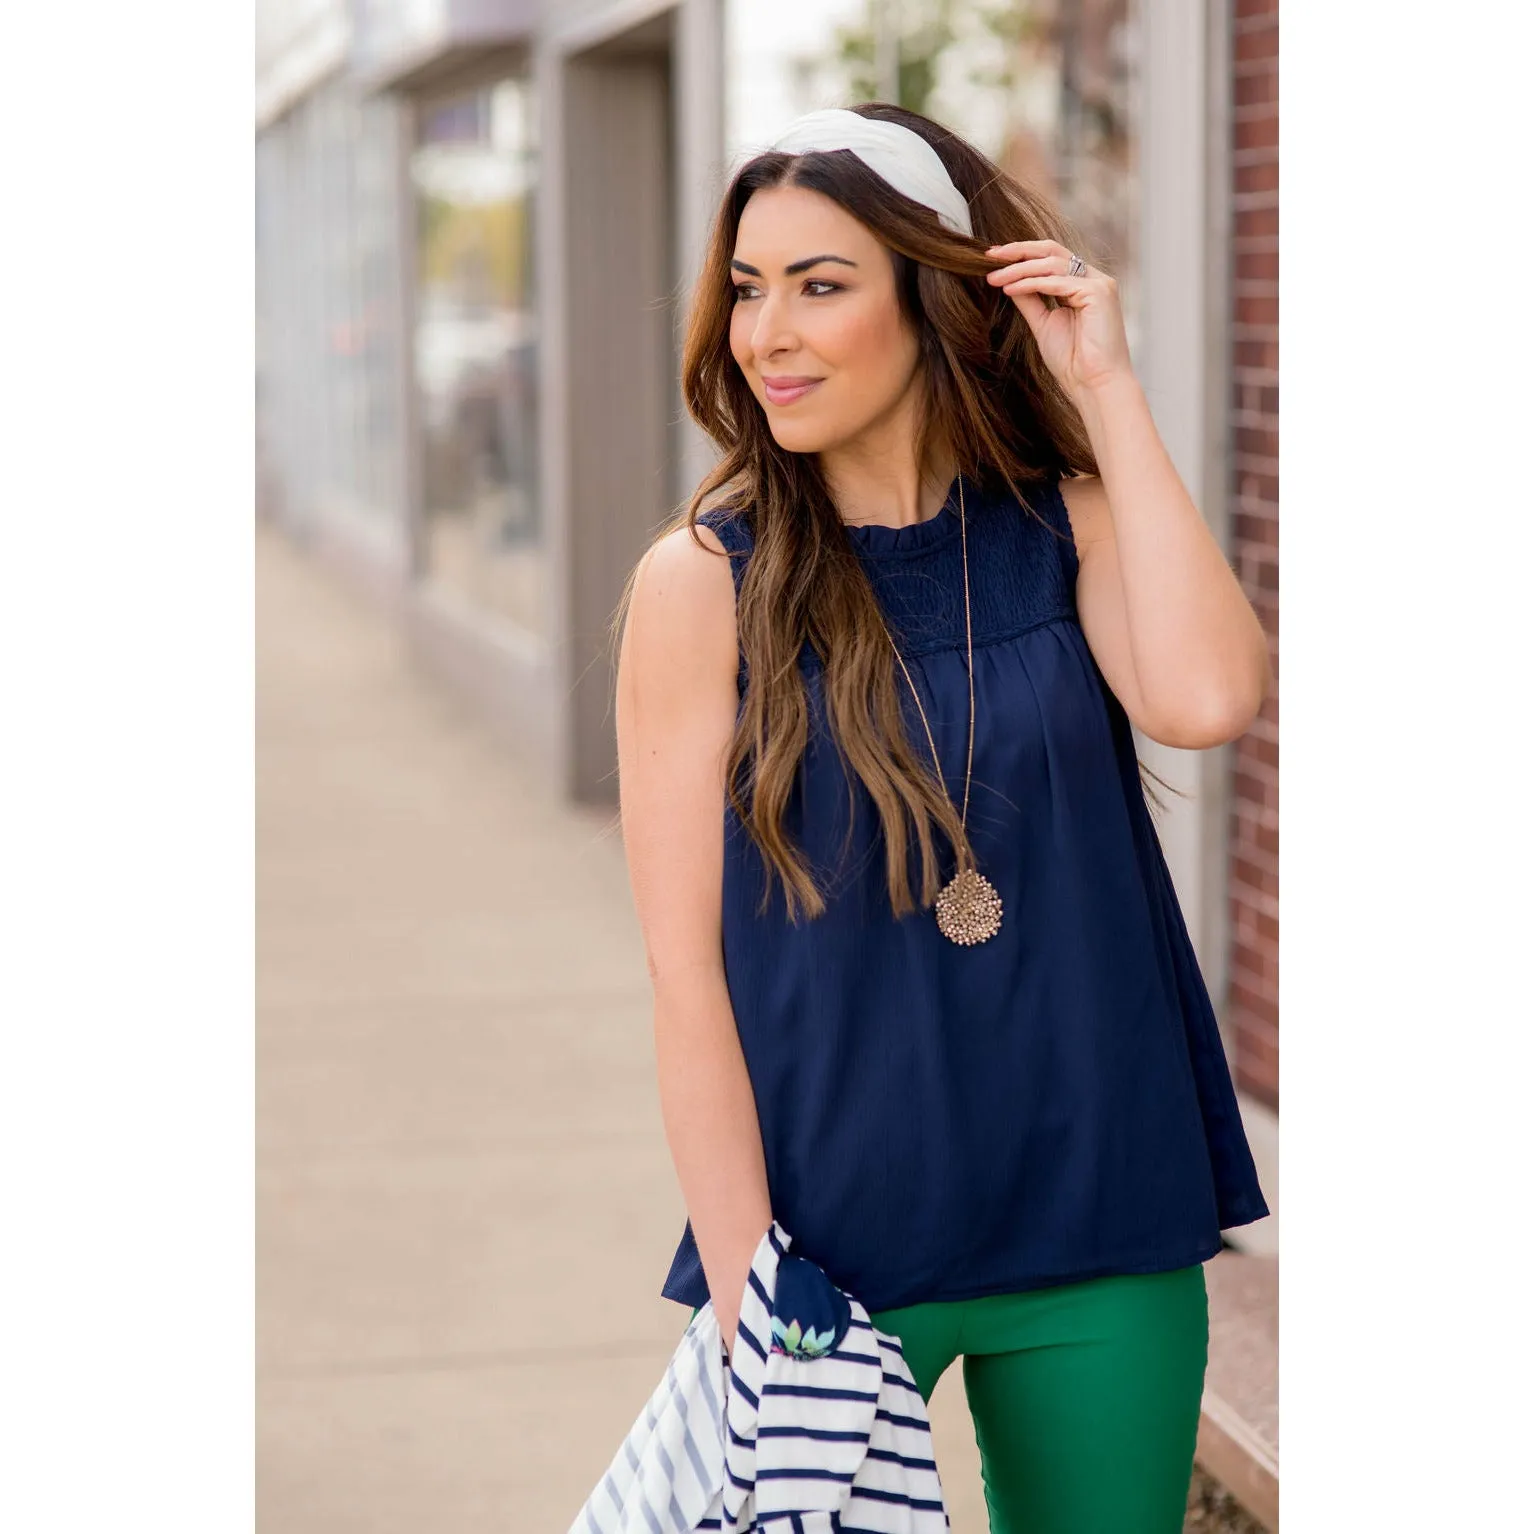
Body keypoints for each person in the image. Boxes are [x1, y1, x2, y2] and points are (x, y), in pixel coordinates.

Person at [612, 102, 1272, 1534]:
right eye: (745, 285)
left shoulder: (1071, 523)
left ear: (933, 301)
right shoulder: (701, 582)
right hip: (831, 1257)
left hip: (1100, 1204)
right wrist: (747, 1292)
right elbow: (683, 966)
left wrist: (1105, 392)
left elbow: (1210, 694)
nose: (766, 331)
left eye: (820, 283)